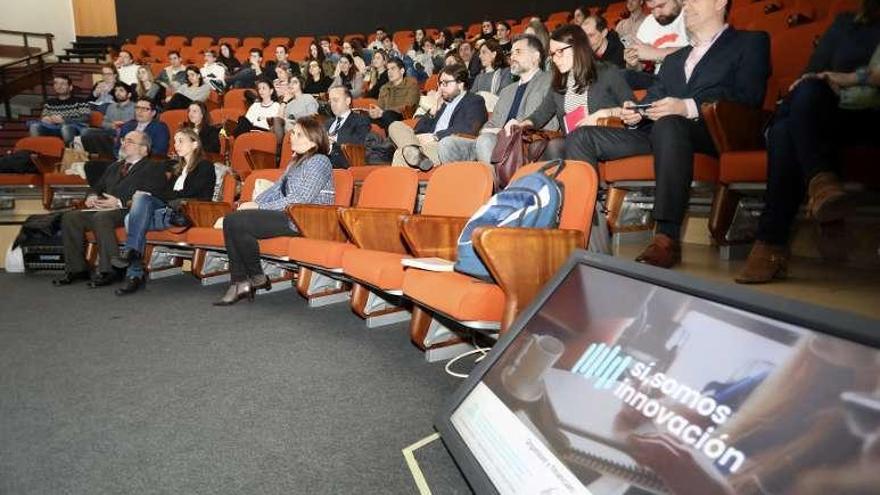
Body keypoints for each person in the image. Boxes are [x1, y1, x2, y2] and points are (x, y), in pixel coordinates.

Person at [565, 0, 770, 268]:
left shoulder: (750, 42)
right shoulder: (675, 59)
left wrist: (685, 107)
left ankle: (666, 237)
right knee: (581, 137)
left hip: (716, 131)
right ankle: (587, 232)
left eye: (696, 1)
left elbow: (748, 96)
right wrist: (636, 112)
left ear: (720, 2)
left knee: (670, 122)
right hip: (660, 131)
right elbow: (652, 99)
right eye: (686, 3)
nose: (688, 7)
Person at [737, 6, 880, 284]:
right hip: (833, 113)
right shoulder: (846, 23)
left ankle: (770, 244)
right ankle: (822, 185)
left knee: (784, 127)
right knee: (802, 97)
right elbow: (814, 71)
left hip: (872, 115)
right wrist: (820, 80)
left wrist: (845, 78)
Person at [214, 116, 335, 306]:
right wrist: (252, 203)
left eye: (297, 134)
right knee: (234, 220)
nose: (291, 137)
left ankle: (251, 278)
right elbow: (275, 190)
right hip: (289, 215)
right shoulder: (295, 163)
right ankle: (241, 281)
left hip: (306, 219)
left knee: (236, 222)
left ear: (313, 140)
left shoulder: (320, 161)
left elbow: (301, 199)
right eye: (292, 133)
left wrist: (259, 207)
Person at [52, 130, 169, 288]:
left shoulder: (154, 167)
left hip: (131, 211)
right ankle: (77, 269)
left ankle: (110, 270)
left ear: (144, 149)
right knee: (71, 217)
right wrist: (91, 196)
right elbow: (96, 187)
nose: (124, 144)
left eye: (130, 141)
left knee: (101, 218)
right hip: (106, 208)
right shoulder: (115, 166)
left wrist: (119, 202)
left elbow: (154, 194)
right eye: (124, 140)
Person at [112, 127, 217, 295]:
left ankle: (134, 270)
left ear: (195, 144)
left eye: (181, 141)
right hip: (168, 212)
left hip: (188, 213)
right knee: (140, 200)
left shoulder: (205, 166)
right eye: (175, 141)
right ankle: (134, 261)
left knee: (130, 220)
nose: (176, 145)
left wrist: (161, 195)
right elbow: (166, 193)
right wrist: (153, 194)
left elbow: (191, 193)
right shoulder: (177, 169)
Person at [505, 24, 633, 160]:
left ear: (577, 47)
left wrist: (605, 113)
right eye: (552, 54)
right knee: (550, 146)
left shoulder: (607, 72)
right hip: (576, 142)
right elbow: (540, 114)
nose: (555, 59)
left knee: (578, 137)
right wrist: (521, 125)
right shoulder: (558, 83)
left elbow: (634, 110)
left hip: (611, 138)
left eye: (560, 52)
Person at [439, 34, 556, 164]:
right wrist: (490, 131)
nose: (512, 57)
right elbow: (491, 124)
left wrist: (504, 131)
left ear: (536, 56)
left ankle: (495, 183)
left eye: (518, 52)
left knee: (485, 141)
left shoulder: (549, 80)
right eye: (511, 53)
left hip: (524, 144)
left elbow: (551, 124)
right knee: (447, 144)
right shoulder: (507, 91)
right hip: (494, 141)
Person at [390, 64, 487, 171]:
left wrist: (435, 136)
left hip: (442, 145)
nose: (440, 88)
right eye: (440, 83)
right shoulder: (442, 103)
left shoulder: (475, 101)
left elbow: (468, 128)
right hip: (421, 142)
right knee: (395, 125)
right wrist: (433, 109)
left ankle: (413, 153)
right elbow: (418, 129)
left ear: (460, 84)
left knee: (400, 154)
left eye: (445, 83)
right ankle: (412, 150)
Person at [625, 0, 690, 88]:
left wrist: (656, 53)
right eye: (651, 9)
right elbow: (639, 67)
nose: (656, 14)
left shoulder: (692, 13)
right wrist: (633, 63)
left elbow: (705, 50)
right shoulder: (649, 22)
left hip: (693, 78)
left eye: (661, 6)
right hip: (661, 81)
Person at [28, 75, 91, 145]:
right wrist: (46, 119)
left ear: (70, 87)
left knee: (65, 128)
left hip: (73, 128)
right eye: (56, 83)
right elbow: (43, 117)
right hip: (53, 128)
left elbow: (85, 118)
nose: (59, 86)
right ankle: (37, 151)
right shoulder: (49, 103)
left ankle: (70, 152)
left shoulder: (81, 101)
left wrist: (64, 120)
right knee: (34, 126)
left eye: (63, 84)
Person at [80, 82, 135, 154]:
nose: (117, 93)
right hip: (110, 131)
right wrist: (112, 125)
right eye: (116, 90)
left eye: (121, 90)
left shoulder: (135, 107)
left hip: (126, 132)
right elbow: (103, 123)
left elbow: (136, 123)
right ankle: (99, 156)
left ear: (129, 94)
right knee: (86, 131)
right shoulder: (111, 107)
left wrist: (123, 124)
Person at [325, 85, 372, 168]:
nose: (332, 104)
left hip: (344, 163)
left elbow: (361, 141)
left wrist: (334, 139)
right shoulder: (327, 123)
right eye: (330, 101)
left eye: (335, 100)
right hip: (323, 161)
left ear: (348, 101)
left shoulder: (361, 120)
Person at [368, 57, 420, 129]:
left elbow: (409, 105)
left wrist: (383, 112)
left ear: (402, 71)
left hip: (403, 118)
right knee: (365, 119)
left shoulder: (411, 84)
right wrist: (375, 112)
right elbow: (380, 107)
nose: (389, 72)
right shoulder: (384, 88)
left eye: (393, 68)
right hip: (384, 117)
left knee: (388, 115)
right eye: (388, 69)